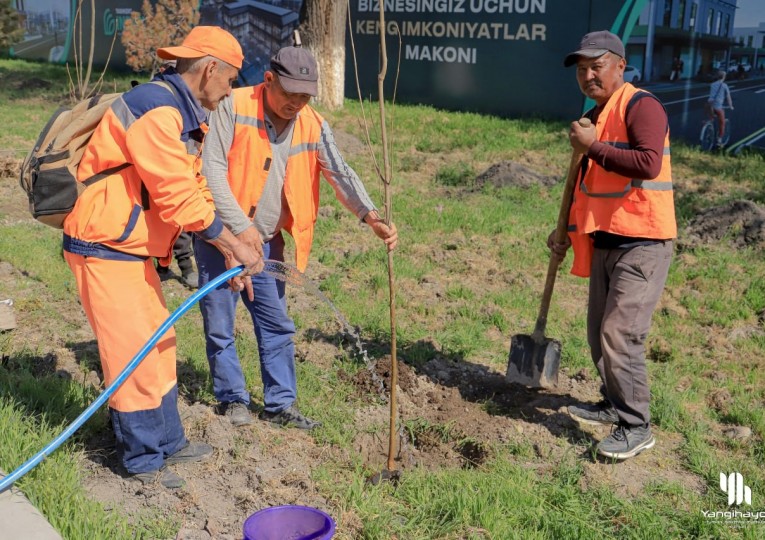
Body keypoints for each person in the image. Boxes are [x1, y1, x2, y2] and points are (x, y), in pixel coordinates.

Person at [62, 26, 264, 489]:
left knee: (159, 343)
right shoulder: (156, 109)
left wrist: (229, 241)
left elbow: (192, 189)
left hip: (131, 251)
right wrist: (231, 245)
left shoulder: (180, 112)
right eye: (231, 80)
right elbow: (176, 197)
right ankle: (141, 459)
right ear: (210, 68)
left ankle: (169, 442)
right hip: (105, 246)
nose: (230, 91)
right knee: (131, 352)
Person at [196, 43, 398, 429]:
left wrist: (372, 217)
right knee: (220, 325)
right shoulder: (232, 106)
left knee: (276, 324)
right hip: (218, 237)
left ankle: (280, 405)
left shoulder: (312, 123)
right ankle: (233, 399)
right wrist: (239, 232)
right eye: (290, 94)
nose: (297, 104)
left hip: (268, 243)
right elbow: (211, 171)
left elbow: (340, 172)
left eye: (305, 96)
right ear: (268, 80)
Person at [552, 30, 676, 460]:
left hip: (643, 240)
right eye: (581, 70)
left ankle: (636, 425)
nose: (588, 75)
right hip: (606, 238)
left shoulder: (642, 106)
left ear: (620, 65)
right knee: (597, 335)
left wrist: (594, 147)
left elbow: (648, 161)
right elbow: (584, 186)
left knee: (619, 333)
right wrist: (565, 231)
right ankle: (612, 402)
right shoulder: (595, 115)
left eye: (596, 66)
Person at [706, 70, 733, 147]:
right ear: (724, 77)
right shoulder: (724, 86)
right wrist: (730, 105)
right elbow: (728, 97)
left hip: (710, 105)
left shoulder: (712, 84)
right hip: (718, 106)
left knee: (711, 117)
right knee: (722, 122)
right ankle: (719, 139)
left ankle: (708, 126)